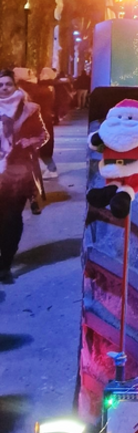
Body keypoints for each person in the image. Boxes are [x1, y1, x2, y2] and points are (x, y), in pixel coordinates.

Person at [0, 69, 49, 283]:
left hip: (18, 173)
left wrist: (28, 143)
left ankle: (5, 264)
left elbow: (43, 134)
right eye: (0, 85)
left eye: (8, 84)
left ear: (16, 86)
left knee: (11, 219)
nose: (4, 88)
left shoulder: (30, 109)